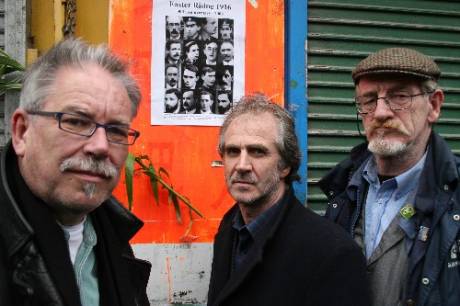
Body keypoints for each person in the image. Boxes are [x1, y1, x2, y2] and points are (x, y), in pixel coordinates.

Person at [0, 38, 151, 305]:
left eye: (116, 130)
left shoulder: (113, 239)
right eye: (77, 122)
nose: (101, 146)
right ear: (22, 132)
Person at [319, 48, 460, 306]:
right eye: (369, 100)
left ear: (434, 106)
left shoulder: (454, 197)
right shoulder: (342, 191)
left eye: (399, 96)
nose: (381, 112)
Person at [208, 94, 370, 306]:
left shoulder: (333, 252)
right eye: (232, 151)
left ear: (285, 166)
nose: (242, 165)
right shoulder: (229, 228)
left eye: (257, 152)